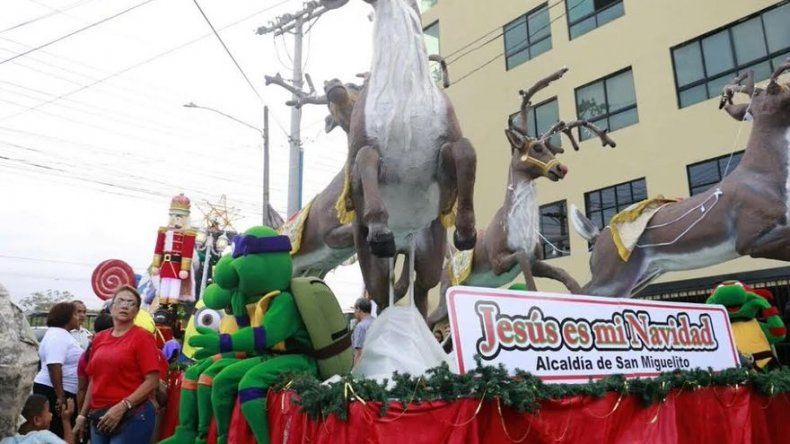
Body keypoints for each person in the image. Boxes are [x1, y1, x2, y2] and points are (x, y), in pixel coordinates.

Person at [73, 286, 160, 444]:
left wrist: (123, 406)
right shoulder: (99, 338)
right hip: (100, 415)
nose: (125, 305)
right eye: (120, 301)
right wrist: (82, 415)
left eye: (131, 303)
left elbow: (152, 380)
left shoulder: (143, 338)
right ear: (111, 308)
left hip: (133, 416)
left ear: (136, 311)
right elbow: (95, 379)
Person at [33, 302, 83, 439]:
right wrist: (61, 397)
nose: (78, 317)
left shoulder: (60, 334)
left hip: (58, 390)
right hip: (55, 391)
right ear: (66, 317)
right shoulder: (58, 336)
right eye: (75, 314)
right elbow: (54, 365)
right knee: (59, 432)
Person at [0, 394, 75, 444]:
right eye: (48, 411)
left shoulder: (7, 439)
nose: (51, 415)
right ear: (37, 420)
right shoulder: (43, 436)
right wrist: (66, 421)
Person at [351, 298, 373, 366]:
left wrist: (354, 373)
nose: (354, 312)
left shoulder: (361, 327)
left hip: (364, 366)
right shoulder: (377, 322)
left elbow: (358, 352)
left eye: (355, 310)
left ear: (359, 309)